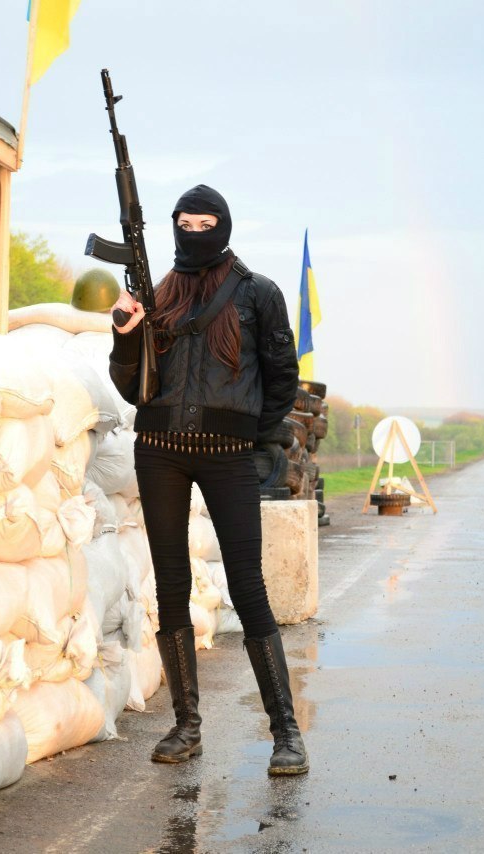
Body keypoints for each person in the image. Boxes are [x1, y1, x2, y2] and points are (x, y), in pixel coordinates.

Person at [108, 184, 308, 776]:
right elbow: (129, 386)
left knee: (249, 590)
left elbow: (282, 377)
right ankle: (185, 725)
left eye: (206, 222)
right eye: (185, 223)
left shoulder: (258, 294)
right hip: (160, 451)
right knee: (170, 585)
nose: (195, 232)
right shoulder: (156, 293)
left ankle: (287, 734)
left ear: (224, 226)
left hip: (228, 456)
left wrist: (253, 438)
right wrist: (124, 333)